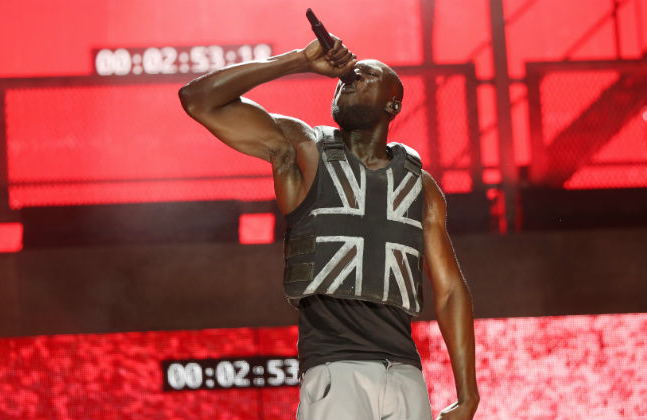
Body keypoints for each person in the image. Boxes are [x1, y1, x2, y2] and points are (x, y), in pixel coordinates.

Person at [179, 35, 479, 420]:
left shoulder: (420, 185)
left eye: (365, 75)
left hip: (405, 375)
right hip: (337, 373)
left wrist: (467, 394)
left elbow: (451, 289)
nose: (349, 78)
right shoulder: (303, 149)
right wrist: (299, 60)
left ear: (393, 103)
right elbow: (198, 99)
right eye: (343, 79)